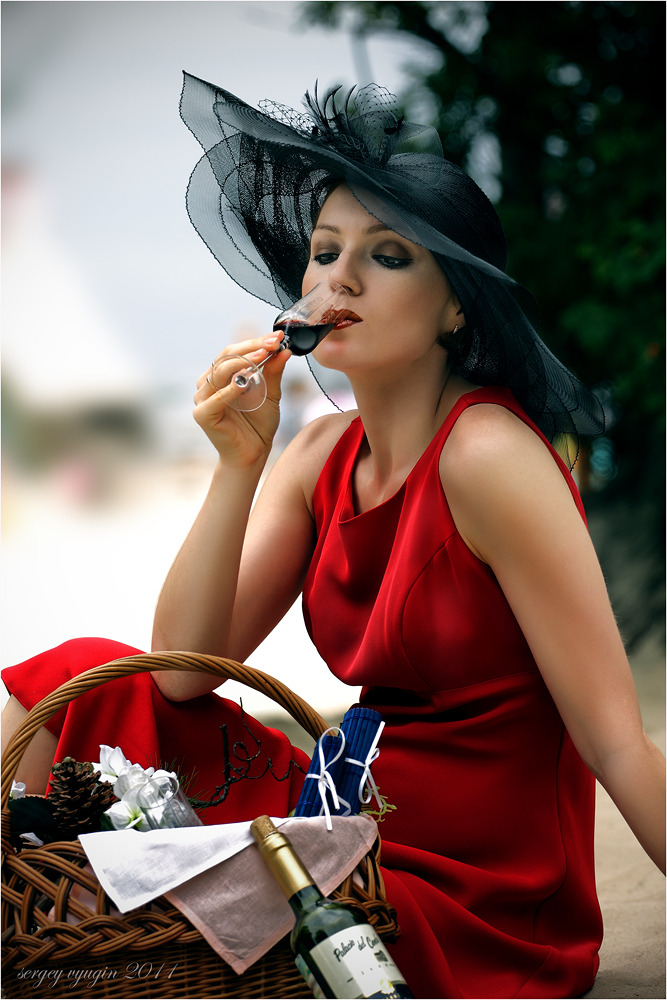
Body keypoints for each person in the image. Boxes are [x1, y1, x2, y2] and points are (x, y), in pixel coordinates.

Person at [2, 76, 664, 999]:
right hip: (339, 811)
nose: (338, 278)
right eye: (323, 252)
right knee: (78, 679)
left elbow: (615, 740)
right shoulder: (317, 454)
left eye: (388, 255)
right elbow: (183, 674)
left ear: (456, 307)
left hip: (462, 880)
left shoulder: (487, 455)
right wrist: (238, 463)